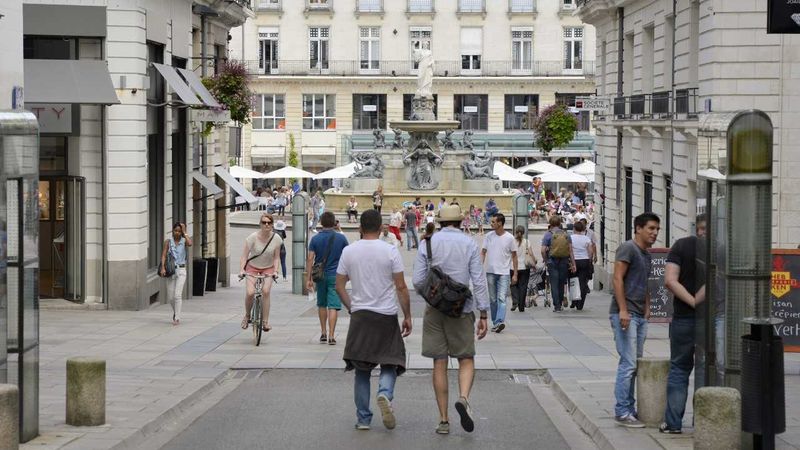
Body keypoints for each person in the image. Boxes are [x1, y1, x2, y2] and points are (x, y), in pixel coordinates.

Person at [412, 205, 490, 435]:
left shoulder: (428, 243)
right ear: (460, 222)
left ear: (440, 222)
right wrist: (483, 313)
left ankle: (444, 420)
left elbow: (417, 279)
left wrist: (432, 295)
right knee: (466, 358)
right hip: (461, 309)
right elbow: (478, 280)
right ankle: (464, 398)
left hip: (435, 309)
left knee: (439, 361)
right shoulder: (469, 244)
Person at [336, 209, 412, 431]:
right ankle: (385, 393)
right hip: (386, 315)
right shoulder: (390, 251)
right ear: (381, 229)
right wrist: (407, 315)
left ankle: (363, 419)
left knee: (361, 368)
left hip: (360, 315)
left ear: (360, 228)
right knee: (391, 361)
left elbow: (339, 285)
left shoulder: (349, 251)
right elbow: (401, 286)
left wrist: (352, 307)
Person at [610, 212, 660, 428]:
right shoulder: (628, 248)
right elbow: (617, 278)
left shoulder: (646, 254)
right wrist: (623, 309)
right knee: (628, 363)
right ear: (638, 228)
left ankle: (629, 408)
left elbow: (644, 282)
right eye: (651, 228)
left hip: (639, 314)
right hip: (626, 313)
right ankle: (622, 410)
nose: (655, 233)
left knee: (635, 363)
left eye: (657, 229)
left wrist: (647, 307)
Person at [660, 216, 705, 434]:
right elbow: (719, 279)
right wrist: (699, 299)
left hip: (683, 317)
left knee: (679, 368)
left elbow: (670, 280)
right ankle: (706, 422)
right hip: (711, 319)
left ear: (697, 229)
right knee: (707, 369)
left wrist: (690, 301)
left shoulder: (681, 245)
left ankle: (673, 424)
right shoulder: (722, 248)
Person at [307, 211, 349, 345]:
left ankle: (323, 332)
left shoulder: (315, 239)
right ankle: (332, 335)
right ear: (334, 223)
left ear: (321, 223)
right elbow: (347, 256)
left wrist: (309, 278)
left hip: (320, 276)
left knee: (322, 304)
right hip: (336, 276)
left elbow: (310, 258)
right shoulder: (341, 238)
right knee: (333, 306)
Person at [239, 213, 282, 332]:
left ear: (272, 225)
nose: (266, 225)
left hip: (268, 268)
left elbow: (276, 257)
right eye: (264, 222)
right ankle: (247, 315)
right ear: (260, 224)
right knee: (250, 292)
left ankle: (265, 322)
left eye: (269, 223)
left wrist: (276, 271)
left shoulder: (276, 239)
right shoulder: (252, 237)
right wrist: (242, 269)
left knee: (266, 291)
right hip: (252, 267)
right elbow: (244, 256)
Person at [481, 213, 518, 332]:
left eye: (493, 222)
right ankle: (495, 322)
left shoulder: (510, 238)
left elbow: (514, 256)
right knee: (492, 299)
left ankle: (499, 321)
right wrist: (479, 267)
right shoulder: (488, 236)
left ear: (500, 223)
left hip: (504, 273)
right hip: (491, 272)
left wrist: (515, 273)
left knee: (501, 298)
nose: (491, 224)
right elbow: (483, 252)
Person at [541, 215, 576, 312]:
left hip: (552, 261)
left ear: (550, 224)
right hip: (564, 261)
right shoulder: (566, 235)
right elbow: (570, 251)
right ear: (560, 223)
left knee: (554, 283)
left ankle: (556, 305)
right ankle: (560, 303)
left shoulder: (548, 234)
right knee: (561, 283)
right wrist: (573, 264)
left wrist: (546, 260)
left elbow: (543, 250)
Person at [160, 222, 192, 325]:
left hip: (181, 271)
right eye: (175, 231)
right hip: (171, 271)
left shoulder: (184, 241)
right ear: (172, 231)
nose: (177, 233)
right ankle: (175, 312)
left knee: (177, 295)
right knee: (170, 297)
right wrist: (163, 268)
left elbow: (190, 243)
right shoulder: (168, 242)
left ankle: (177, 318)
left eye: (179, 231)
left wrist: (185, 232)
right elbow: (164, 255)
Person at [509, 225, 536, 313]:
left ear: (515, 232)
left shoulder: (512, 241)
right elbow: (531, 254)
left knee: (513, 285)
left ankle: (515, 301)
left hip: (513, 267)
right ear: (523, 233)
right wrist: (534, 263)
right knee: (523, 286)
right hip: (525, 267)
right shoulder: (527, 242)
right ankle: (521, 306)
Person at [570, 220, 594, 310]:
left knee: (573, 281)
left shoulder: (571, 238)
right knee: (582, 283)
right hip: (584, 260)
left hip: (574, 261)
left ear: (574, 228)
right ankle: (580, 304)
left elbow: (570, 251)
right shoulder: (586, 239)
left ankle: (574, 301)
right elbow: (590, 252)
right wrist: (589, 261)